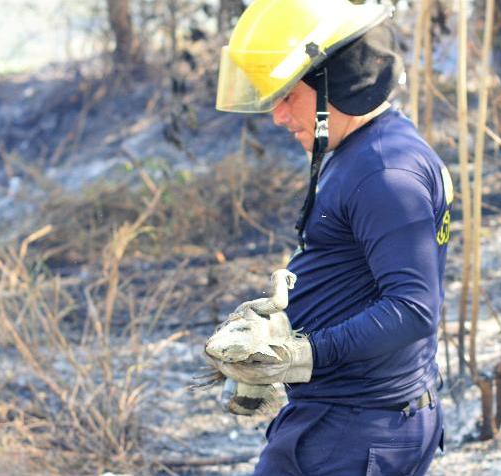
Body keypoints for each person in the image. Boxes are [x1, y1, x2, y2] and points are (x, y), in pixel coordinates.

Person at [207, 0, 452, 474]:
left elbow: (413, 309)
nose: (278, 116)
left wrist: (301, 355)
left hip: (357, 431)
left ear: (338, 81)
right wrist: (283, 330)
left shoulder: (385, 172)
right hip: (345, 420)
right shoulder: (366, 147)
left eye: (287, 95)